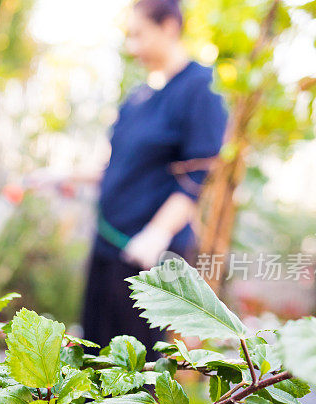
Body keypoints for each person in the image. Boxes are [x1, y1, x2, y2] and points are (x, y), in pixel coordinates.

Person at [81, 0, 228, 358]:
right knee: (91, 356)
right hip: (106, 246)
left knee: (132, 369)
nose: (132, 47)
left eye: (139, 35)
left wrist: (157, 233)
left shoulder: (200, 89)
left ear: (169, 27)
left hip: (145, 259)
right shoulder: (139, 97)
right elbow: (116, 166)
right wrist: (55, 176)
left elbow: (196, 177)